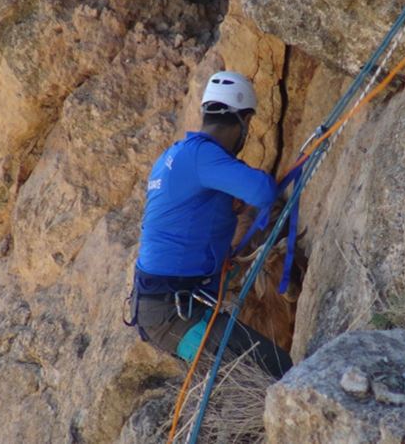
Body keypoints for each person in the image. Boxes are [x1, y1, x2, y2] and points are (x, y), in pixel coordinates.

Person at [125, 71, 293, 379]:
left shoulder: (173, 155)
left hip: (164, 308)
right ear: (243, 120)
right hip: (176, 315)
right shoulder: (203, 156)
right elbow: (263, 191)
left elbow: (188, 222)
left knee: (254, 376)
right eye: (248, 123)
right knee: (280, 371)